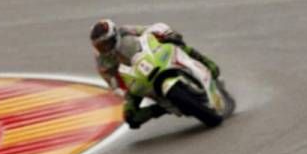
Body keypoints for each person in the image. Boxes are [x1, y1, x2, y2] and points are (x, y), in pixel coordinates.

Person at [89, 18, 221, 129]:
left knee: (174, 42)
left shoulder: (125, 31)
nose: (104, 48)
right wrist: (119, 89)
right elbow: (110, 79)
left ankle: (206, 62)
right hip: (133, 78)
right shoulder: (102, 60)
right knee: (131, 118)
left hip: (150, 57)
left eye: (106, 43)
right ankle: (162, 108)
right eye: (100, 46)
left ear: (115, 36)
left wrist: (165, 34)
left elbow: (148, 30)